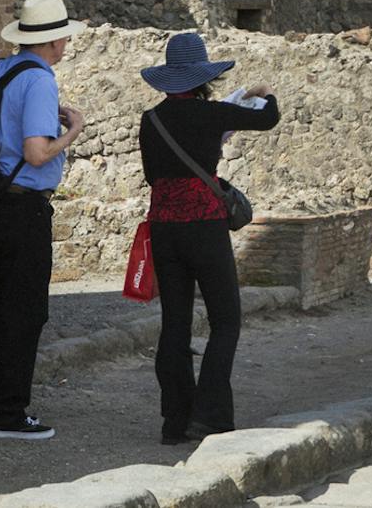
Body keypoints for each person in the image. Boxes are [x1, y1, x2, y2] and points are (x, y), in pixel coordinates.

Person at [140, 33, 281, 444]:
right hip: (203, 224)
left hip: (164, 227)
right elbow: (267, 118)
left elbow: (154, 175)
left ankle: (174, 421)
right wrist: (266, 92)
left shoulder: (151, 120)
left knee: (175, 325)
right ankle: (210, 413)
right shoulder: (212, 113)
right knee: (225, 320)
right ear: (202, 76)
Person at [0, 0, 88, 440]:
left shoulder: (3, 69)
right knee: (24, 311)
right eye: (64, 37)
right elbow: (36, 152)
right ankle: (9, 415)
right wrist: (73, 130)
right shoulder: (40, 81)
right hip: (23, 206)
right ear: (55, 41)